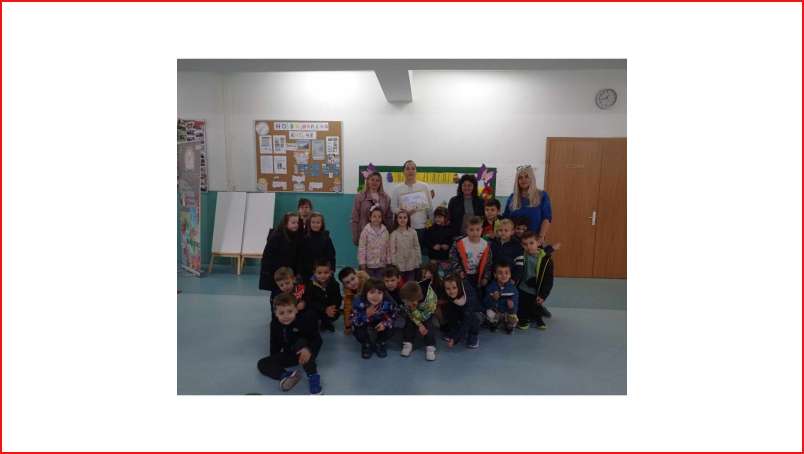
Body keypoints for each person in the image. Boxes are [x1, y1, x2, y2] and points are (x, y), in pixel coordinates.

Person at [257, 293, 323, 394]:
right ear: (275, 313)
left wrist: (309, 350)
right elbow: (274, 342)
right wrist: (274, 360)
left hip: (306, 352)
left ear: (296, 310)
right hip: (290, 354)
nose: (286, 316)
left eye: (290, 311)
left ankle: (313, 376)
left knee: (300, 342)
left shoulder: (303, 320)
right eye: (281, 313)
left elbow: (317, 339)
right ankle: (286, 375)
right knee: (262, 363)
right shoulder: (274, 324)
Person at [390, 160, 433, 255]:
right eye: (408, 168)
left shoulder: (424, 187)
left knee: (418, 254)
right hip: (403, 228)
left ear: (416, 171)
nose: (410, 171)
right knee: (404, 254)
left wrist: (431, 225)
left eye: (413, 168)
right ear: (403, 171)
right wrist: (404, 213)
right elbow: (393, 207)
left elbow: (430, 207)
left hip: (421, 227)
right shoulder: (397, 189)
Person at [350, 278, 397, 359]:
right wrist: (366, 315)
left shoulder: (388, 301)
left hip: (380, 320)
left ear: (383, 294)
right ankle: (366, 344)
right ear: (365, 293)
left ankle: (380, 342)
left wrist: (385, 323)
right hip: (364, 321)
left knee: (391, 329)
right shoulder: (358, 301)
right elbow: (353, 320)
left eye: (379, 293)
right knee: (357, 331)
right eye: (372, 292)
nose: (376, 296)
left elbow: (394, 315)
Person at [517, 231, 555, 330]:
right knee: (522, 306)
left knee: (535, 306)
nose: (528, 246)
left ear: (538, 243)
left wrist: (543, 295)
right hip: (522, 288)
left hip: (536, 290)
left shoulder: (546, 260)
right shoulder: (521, 256)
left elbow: (548, 280)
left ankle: (538, 318)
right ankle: (523, 320)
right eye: (525, 244)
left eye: (531, 243)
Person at [502, 165, 553, 240]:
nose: (523, 180)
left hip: (534, 241)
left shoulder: (542, 196)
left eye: (526, 177)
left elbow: (546, 218)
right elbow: (506, 219)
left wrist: (541, 237)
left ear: (531, 178)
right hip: (513, 241)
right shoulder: (512, 197)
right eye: (520, 177)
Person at [449, 216, 493, 293]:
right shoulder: (459, 243)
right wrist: (459, 271)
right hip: (463, 276)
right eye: (471, 230)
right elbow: (453, 258)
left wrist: (486, 277)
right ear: (467, 230)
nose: (475, 233)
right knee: (465, 294)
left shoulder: (486, 245)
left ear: (481, 230)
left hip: (478, 277)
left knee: (477, 294)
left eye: (477, 229)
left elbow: (488, 263)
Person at [259, 212, 301, 292]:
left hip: (290, 273)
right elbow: (267, 256)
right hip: (277, 273)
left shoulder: (296, 236)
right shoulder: (276, 236)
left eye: (297, 223)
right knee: (277, 293)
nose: (296, 225)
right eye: (293, 223)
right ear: (285, 223)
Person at [350, 171, 393, 246]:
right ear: (368, 181)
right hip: (364, 234)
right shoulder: (360, 196)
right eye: (372, 179)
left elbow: (389, 218)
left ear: (380, 183)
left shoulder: (386, 198)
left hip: (381, 235)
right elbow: (355, 217)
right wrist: (355, 235)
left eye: (377, 180)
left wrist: (389, 233)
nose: (374, 182)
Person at [399, 281, 437, 361]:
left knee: (428, 326)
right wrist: (419, 324)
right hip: (415, 310)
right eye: (406, 302)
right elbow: (409, 312)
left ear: (415, 300)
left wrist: (414, 310)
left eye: (408, 302)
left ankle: (430, 347)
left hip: (427, 313)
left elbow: (424, 317)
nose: (406, 303)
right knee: (409, 323)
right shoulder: (408, 295)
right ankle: (408, 343)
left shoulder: (430, 300)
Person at [441, 274, 481, 349]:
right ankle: (454, 331)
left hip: (475, 312)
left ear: (459, 287)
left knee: (472, 318)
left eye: (454, 288)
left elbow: (467, 321)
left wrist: (455, 339)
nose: (451, 291)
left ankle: (473, 334)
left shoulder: (470, 297)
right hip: (461, 310)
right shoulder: (448, 293)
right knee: (449, 309)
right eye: (448, 289)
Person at [305, 259, 342, 332]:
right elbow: (310, 301)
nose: (323, 275)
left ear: (330, 272)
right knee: (311, 313)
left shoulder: (334, 284)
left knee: (336, 313)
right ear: (314, 273)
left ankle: (326, 322)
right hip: (318, 308)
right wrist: (324, 309)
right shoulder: (310, 285)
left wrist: (333, 307)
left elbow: (338, 298)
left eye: (326, 272)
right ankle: (315, 323)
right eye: (319, 273)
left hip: (329, 307)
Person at [483, 262, 519, 334]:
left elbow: (516, 303)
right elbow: (485, 303)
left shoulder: (513, 289)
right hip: (496, 311)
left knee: (514, 318)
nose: (503, 275)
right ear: (495, 275)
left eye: (506, 273)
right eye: (500, 273)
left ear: (510, 275)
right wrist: (493, 299)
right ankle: (494, 323)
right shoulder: (490, 287)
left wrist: (512, 307)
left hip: (507, 312)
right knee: (489, 313)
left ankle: (509, 325)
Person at [298, 212, 336, 280]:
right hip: (306, 272)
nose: (315, 225)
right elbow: (300, 256)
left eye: (318, 222)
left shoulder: (326, 238)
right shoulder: (304, 238)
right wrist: (299, 272)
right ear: (309, 223)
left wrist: (332, 270)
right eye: (313, 222)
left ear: (322, 224)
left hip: (322, 272)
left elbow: (331, 256)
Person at [357, 206, 390, 279]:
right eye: (374, 216)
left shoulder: (385, 231)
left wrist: (388, 261)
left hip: (381, 265)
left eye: (379, 217)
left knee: (380, 282)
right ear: (370, 218)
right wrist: (362, 263)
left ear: (382, 218)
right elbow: (362, 248)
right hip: (369, 265)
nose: (377, 219)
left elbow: (388, 247)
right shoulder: (365, 231)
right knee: (370, 282)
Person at [389, 211, 421, 282]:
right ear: (396, 219)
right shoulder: (394, 234)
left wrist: (418, 261)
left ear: (408, 219)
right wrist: (394, 264)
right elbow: (392, 250)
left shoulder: (413, 232)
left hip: (411, 263)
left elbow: (417, 247)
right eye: (400, 218)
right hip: (399, 265)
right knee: (400, 284)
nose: (402, 220)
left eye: (405, 217)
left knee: (410, 283)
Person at [490, 219, 525, 283]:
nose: (503, 232)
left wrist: (514, 279)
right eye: (500, 230)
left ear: (512, 232)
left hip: (508, 279)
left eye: (506, 230)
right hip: (494, 277)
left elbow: (519, 265)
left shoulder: (517, 246)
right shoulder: (493, 243)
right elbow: (490, 261)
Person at [338, 267, 369, 336]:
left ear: (356, 275)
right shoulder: (348, 293)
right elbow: (347, 309)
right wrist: (347, 326)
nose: (352, 283)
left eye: (353, 279)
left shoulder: (368, 283)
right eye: (347, 282)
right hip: (362, 311)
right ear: (344, 285)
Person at [424, 206, 453, 276]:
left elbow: (452, 241)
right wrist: (433, 246)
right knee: (433, 274)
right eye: (436, 217)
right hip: (433, 257)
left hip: (445, 257)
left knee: (446, 275)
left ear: (445, 218)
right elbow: (426, 241)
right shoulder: (430, 229)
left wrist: (448, 245)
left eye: (440, 217)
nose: (437, 219)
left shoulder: (449, 229)